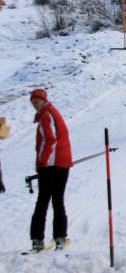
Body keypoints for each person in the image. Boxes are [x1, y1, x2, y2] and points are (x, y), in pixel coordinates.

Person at [29, 89, 73, 251]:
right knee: (56, 200)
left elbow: (51, 140)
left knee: (44, 201)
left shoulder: (46, 115)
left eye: (36, 102)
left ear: (43, 100)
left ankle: (38, 239)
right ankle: (59, 238)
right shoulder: (51, 112)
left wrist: (42, 161)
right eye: (33, 102)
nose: (35, 105)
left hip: (52, 166)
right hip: (61, 164)